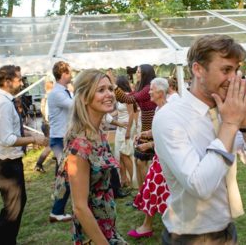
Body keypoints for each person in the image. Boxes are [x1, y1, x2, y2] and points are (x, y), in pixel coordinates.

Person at [154, 34, 246, 243]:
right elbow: (200, 186)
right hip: (190, 237)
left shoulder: (225, 111)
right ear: (198, 70)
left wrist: (245, 124)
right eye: (226, 70)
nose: (234, 78)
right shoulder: (169, 117)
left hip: (227, 231)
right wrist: (230, 125)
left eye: (236, 70)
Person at [53, 68, 124, 244]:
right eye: (101, 90)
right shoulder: (80, 147)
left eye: (110, 88)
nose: (109, 94)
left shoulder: (97, 133)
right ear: (84, 98)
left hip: (106, 227)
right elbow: (80, 208)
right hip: (93, 235)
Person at [0, 64, 48, 245]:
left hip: (8, 161)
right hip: (5, 164)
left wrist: (28, 136)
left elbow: (10, 132)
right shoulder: (3, 104)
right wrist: (33, 139)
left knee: (16, 205)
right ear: (7, 81)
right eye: (19, 79)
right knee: (12, 209)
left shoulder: (5, 100)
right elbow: (7, 139)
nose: (22, 83)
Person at [129, 77, 173, 239]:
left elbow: (168, 139)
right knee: (155, 189)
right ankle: (159, 223)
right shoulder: (159, 109)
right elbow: (158, 131)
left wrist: (147, 146)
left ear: (161, 92)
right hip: (160, 159)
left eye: (152, 89)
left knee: (152, 189)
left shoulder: (167, 111)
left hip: (165, 160)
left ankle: (147, 226)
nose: (149, 92)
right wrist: (144, 134)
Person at [113, 64, 158, 194]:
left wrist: (113, 85)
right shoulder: (141, 87)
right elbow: (124, 98)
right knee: (139, 161)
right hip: (145, 126)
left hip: (152, 125)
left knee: (142, 162)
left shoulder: (148, 88)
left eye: (138, 72)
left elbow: (127, 99)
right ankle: (142, 193)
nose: (136, 74)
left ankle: (146, 195)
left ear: (145, 74)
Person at [44, 61, 75, 223]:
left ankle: (62, 208)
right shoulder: (57, 93)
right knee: (67, 176)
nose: (72, 75)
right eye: (70, 72)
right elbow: (73, 106)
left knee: (65, 176)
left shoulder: (63, 91)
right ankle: (57, 211)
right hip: (59, 140)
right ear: (63, 74)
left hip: (63, 138)